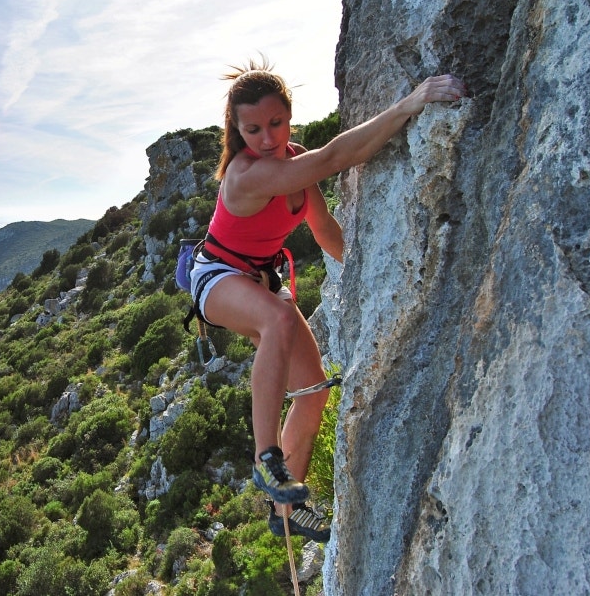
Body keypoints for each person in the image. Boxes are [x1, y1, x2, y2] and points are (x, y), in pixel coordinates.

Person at [189, 58, 466, 541]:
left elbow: (325, 232)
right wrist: (410, 103)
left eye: (276, 123)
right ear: (236, 130)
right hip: (217, 277)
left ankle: (284, 511)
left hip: (259, 282)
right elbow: (337, 156)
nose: (267, 138)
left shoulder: (293, 167)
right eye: (253, 129)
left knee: (314, 391)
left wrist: (371, 279)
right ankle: (266, 459)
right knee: (278, 320)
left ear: (289, 117)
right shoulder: (246, 175)